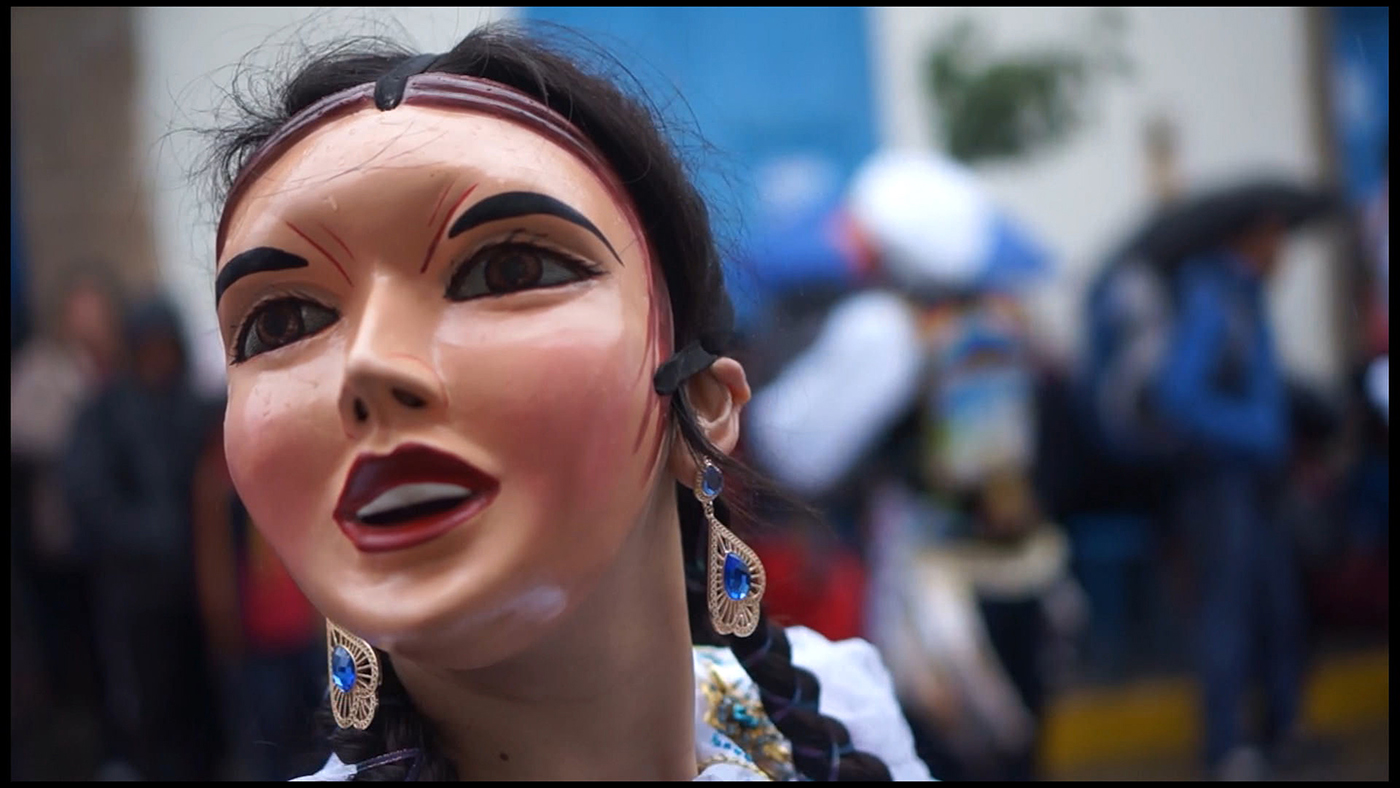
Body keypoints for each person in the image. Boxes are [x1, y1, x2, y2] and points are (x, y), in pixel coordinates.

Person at [204, 23, 930, 781]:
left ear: (702, 403)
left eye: (506, 269)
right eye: (283, 323)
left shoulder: (849, 721)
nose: (370, 368)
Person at [1154, 216, 1304, 780]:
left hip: (1255, 480)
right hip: (1223, 482)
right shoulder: (1214, 299)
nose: (1283, 251)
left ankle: (1278, 730)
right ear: (1248, 238)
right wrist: (1255, 431)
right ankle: (1226, 743)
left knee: (1275, 606)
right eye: (1275, 236)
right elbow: (1179, 395)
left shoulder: (1245, 298)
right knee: (1229, 610)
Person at [61, 296, 224, 780]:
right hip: (136, 598)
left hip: (198, 592)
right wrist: (151, 533)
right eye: (148, 349)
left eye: (166, 348)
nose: (159, 359)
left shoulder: (194, 406)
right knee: (151, 715)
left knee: (209, 713)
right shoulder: (105, 414)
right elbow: (89, 499)